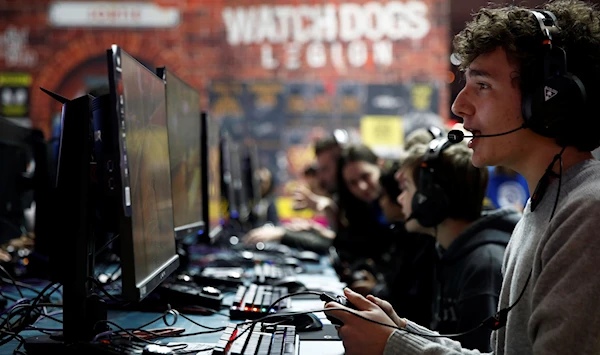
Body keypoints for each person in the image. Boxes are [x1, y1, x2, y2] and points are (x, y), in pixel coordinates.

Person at [325, 1, 600, 354]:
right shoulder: (543, 206)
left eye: (482, 85)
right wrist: (403, 333)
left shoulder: (587, 215)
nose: (459, 106)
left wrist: (396, 347)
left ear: (549, 102)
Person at [395, 141, 520, 351]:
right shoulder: (446, 252)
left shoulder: (483, 266)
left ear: (431, 199)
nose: (400, 199)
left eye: (407, 187)